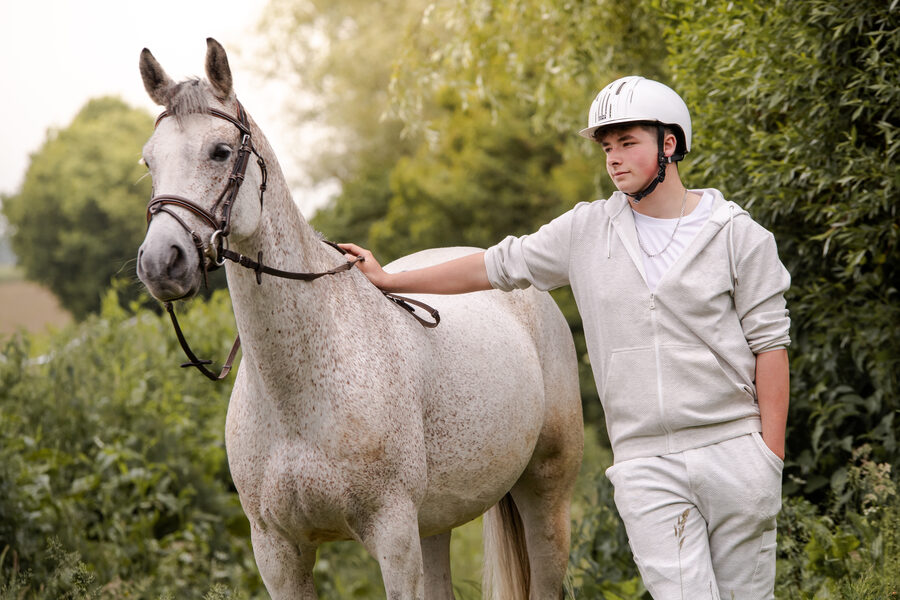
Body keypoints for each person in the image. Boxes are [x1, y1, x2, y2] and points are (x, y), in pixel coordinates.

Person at [339, 75, 790, 599]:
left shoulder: (739, 235)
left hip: (734, 451)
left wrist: (767, 458)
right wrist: (391, 280)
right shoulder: (586, 230)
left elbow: (770, 347)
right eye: (607, 147)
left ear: (670, 145)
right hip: (646, 464)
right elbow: (493, 265)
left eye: (628, 143)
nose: (614, 158)